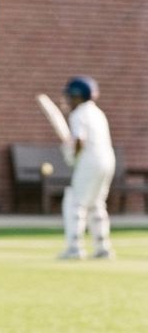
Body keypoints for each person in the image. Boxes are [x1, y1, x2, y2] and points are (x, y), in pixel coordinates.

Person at [58, 76, 115, 260]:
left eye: (70, 96)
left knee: (75, 202)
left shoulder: (79, 114)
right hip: (107, 160)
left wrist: (72, 155)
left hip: (90, 161)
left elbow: (80, 140)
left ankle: (74, 247)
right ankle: (102, 247)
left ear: (77, 96)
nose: (67, 100)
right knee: (96, 203)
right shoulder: (98, 112)